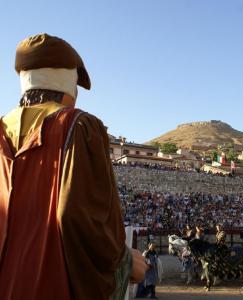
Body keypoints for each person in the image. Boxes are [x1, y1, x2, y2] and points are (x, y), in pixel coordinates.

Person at [0, 33, 147, 300]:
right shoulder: (79, 126)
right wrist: (124, 261)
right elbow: (75, 215)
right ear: (69, 84)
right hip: (51, 286)